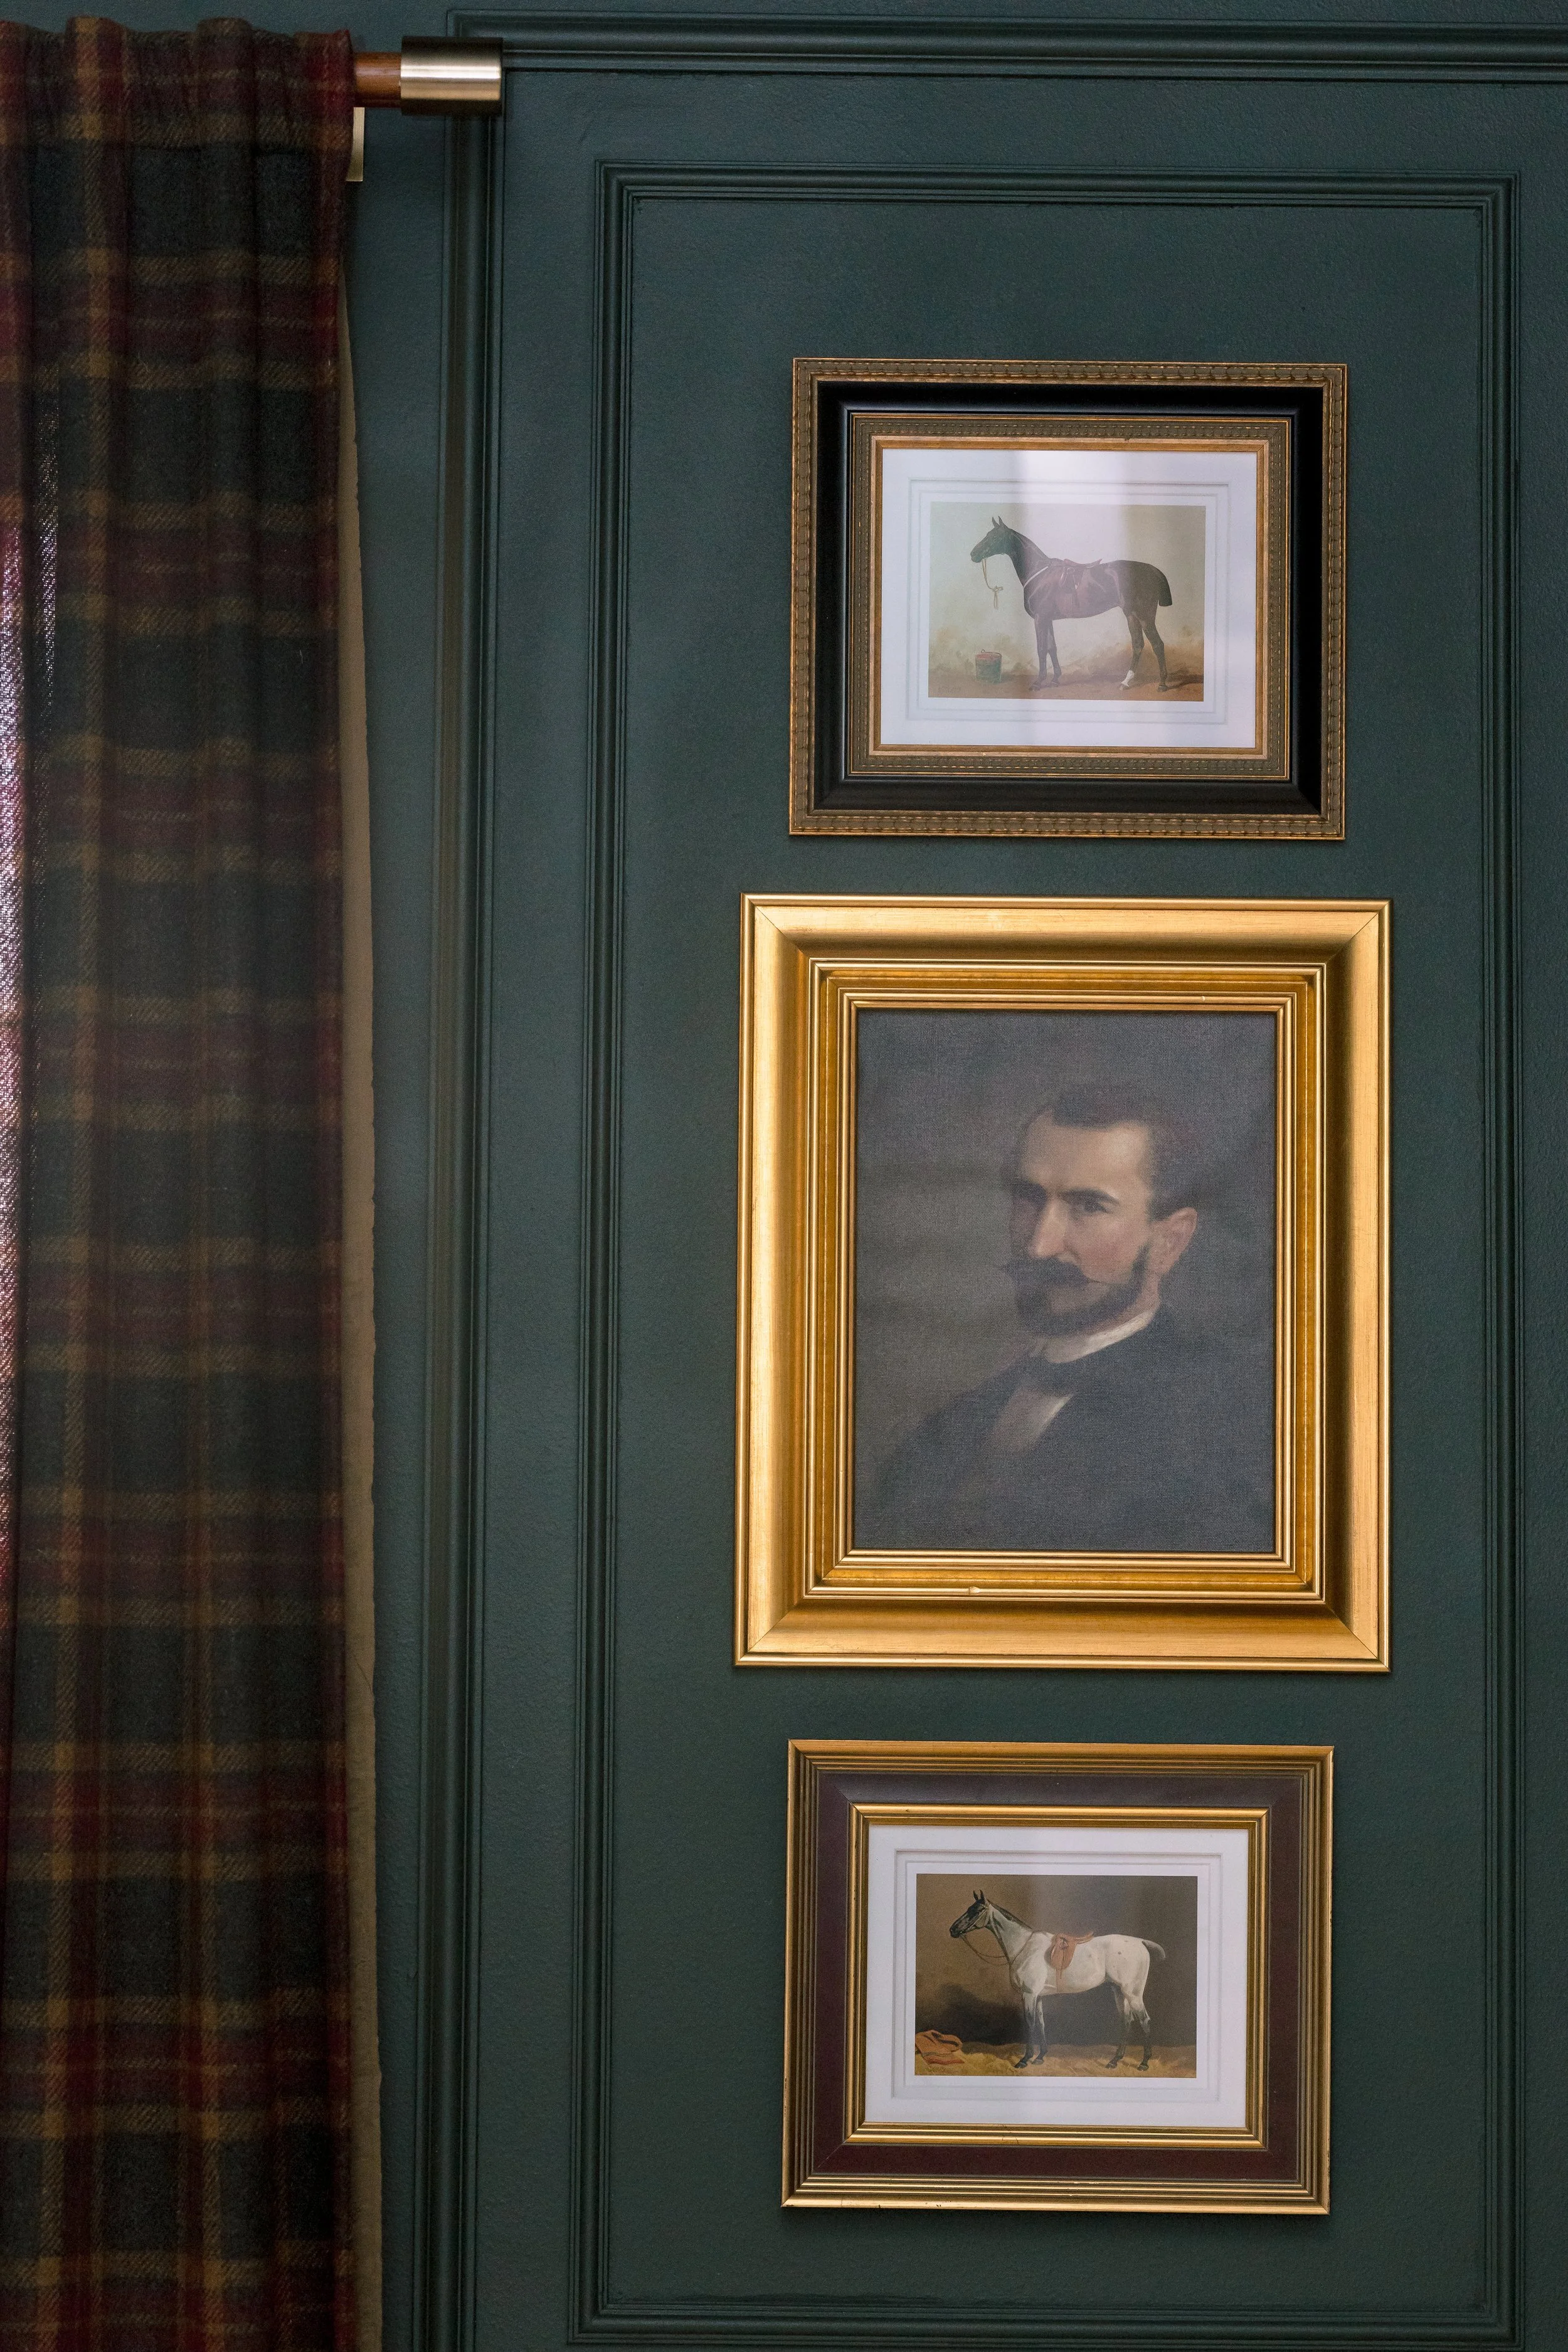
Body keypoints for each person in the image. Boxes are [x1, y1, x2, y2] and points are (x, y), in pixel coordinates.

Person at [861, 1083, 1274, 1555]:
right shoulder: (948, 1432)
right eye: (1029, 1198)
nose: (1039, 1245)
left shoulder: (1227, 1430)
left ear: (1170, 1241)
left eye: (1088, 1207)